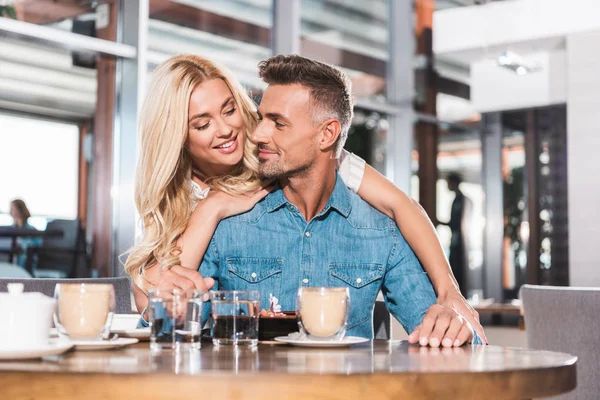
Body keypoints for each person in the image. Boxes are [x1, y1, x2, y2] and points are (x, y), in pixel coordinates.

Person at [125, 54, 486, 344]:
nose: (234, 131)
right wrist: (212, 209)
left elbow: (401, 206)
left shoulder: (322, 168)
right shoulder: (208, 213)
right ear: (179, 138)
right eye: (201, 124)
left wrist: (449, 297)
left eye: (231, 109)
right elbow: (161, 312)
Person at [438, 173, 473, 297]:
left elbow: (456, 223)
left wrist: (439, 222)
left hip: (459, 242)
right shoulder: (459, 199)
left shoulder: (460, 200)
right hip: (456, 241)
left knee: (457, 271)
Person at [8, 199, 40, 268]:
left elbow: (37, 247)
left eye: (12, 209)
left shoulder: (31, 230)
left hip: (26, 265)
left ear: (20, 210)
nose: (10, 212)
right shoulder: (9, 229)